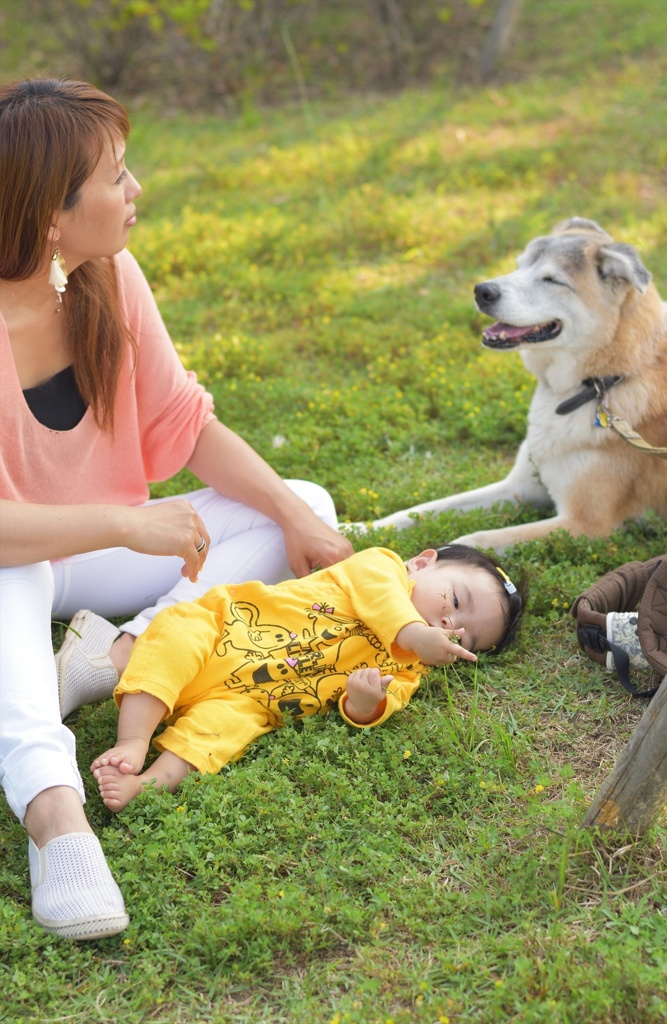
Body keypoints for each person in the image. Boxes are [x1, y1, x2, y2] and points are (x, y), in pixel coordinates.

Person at [0, 78, 353, 942]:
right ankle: (55, 814)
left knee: (297, 503)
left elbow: (183, 422)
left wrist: (296, 516)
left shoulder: (108, 277)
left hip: (82, 556)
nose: (136, 190)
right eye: (116, 177)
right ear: (51, 216)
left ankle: (115, 654)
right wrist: (125, 522)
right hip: (12, 559)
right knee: (16, 570)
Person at [90, 544, 524, 812]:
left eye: (468, 636)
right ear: (422, 563)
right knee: (175, 640)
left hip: (252, 701)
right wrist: (414, 633)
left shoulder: (408, 669)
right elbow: (383, 600)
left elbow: (373, 709)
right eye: (455, 600)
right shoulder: (382, 568)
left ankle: (145, 784)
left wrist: (364, 700)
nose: (451, 621)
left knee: (217, 738)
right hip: (225, 628)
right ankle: (134, 739)